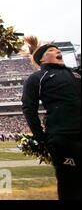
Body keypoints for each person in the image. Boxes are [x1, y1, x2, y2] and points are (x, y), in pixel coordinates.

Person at [22, 38, 81, 200]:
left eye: (57, 50)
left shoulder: (76, 73)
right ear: (42, 59)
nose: (56, 51)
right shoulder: (37, 78)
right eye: (50, 51)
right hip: (63, 137)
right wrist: (40, 137)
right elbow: (29, 108)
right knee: (71, 185)